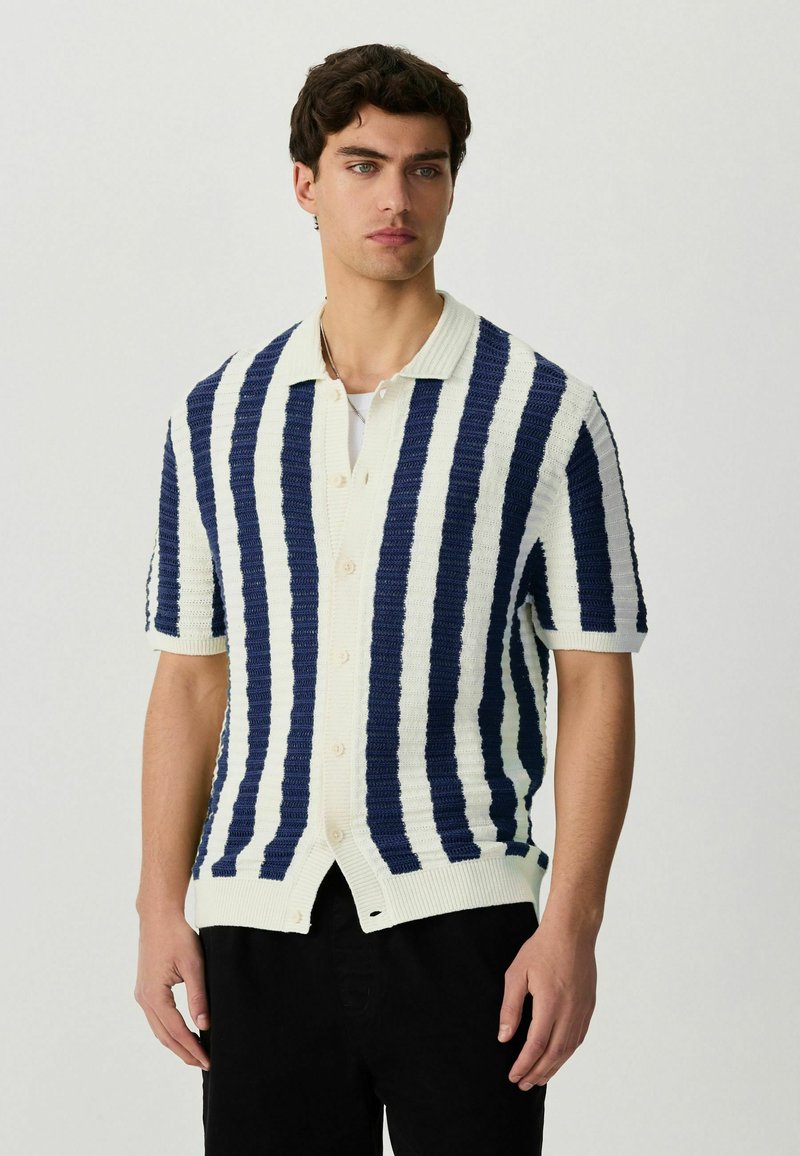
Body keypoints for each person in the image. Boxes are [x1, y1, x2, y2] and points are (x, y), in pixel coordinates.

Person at [134, 42, 649, 1156]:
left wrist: (571, 926)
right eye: (362, 165)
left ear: (453, 185)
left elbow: (595, 675)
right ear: (305, 183)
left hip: (464, 918)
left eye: (425, 169)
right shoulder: (215, 418)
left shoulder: (544, 412)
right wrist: (158, 904)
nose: (395, 198)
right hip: (256, 920)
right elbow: (190, 677)